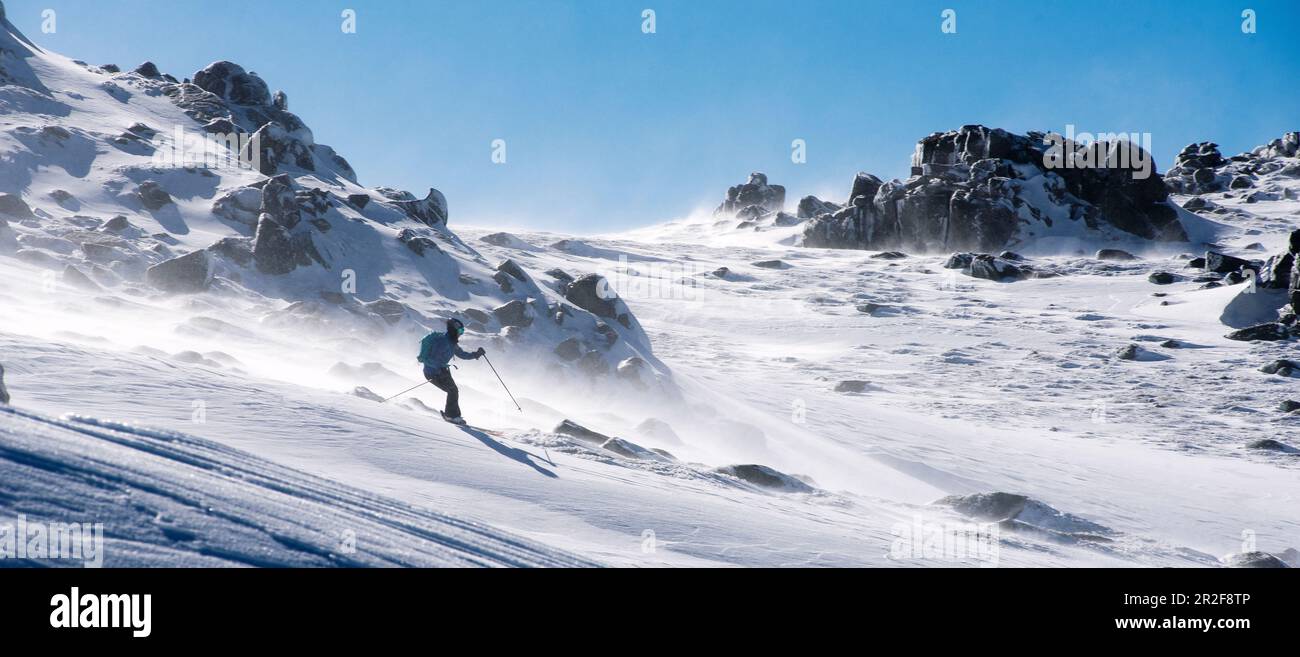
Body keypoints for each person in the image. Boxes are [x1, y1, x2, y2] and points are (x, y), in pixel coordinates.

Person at [417, 318, 484, 424]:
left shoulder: (452, 343)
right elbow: (430, 359)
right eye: (460, 331)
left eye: (462, 331)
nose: (461, 334)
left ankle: (453, 415)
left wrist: (476, 354)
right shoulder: (441, 341)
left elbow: (462, 355)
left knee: (453, 391)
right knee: (452, 391)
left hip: (442, 371)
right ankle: (451, 416)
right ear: (454, 330)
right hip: (432, 372)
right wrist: (438, 370)